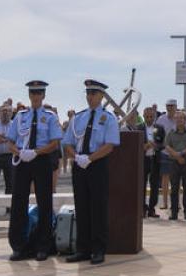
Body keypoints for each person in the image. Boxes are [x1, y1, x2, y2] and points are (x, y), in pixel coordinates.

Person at [62, 80, 121, 264]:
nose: (90, 97)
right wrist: (77, 157)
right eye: (88, 94)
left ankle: (98, 249)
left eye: (94, 94)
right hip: (79, 164)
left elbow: (110, 145)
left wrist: (90, 158)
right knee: (81, 206)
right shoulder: (78, 118)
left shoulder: (109, 118)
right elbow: (67, 143)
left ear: (102, 96)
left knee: (98, 207)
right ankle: (83, 249)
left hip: (97, 164)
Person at [8, 81, 63, 262]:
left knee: (45, 203)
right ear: (29, 95)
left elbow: (55, 143)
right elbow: (10, 141)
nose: (36, 96)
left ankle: (43, 246)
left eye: (39, 93)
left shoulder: (50, 116)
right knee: (18, 202)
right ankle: (18, 246)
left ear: (43, 96)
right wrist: (20, 152)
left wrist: (36, 152)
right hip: (23, 160)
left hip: (41, 160)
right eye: (33, 93)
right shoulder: (20, 116)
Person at [164, 110, 186, 221]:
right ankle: (174, 212)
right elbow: (167, 146)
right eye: (177, 118)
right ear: (175, 120)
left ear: (185, 120)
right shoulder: (171, 133)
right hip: (174, 163)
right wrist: (177, 157)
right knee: (174, 189)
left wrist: (181, 154)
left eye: (181, 118)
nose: (179, 120)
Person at [142, 106, 166, 218]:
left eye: (151, 116)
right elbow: (135, 144)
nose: (149, 118)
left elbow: (163, 144)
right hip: (143, 160)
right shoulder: (138, 128)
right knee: (141, 185)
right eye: (147, 116)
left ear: (155, 116)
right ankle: (142, 209)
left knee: (155, 185)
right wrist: (143, 147)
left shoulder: (160, 128)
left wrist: (155, 146)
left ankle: (151, 209)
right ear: (143, 116)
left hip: (155, 159)